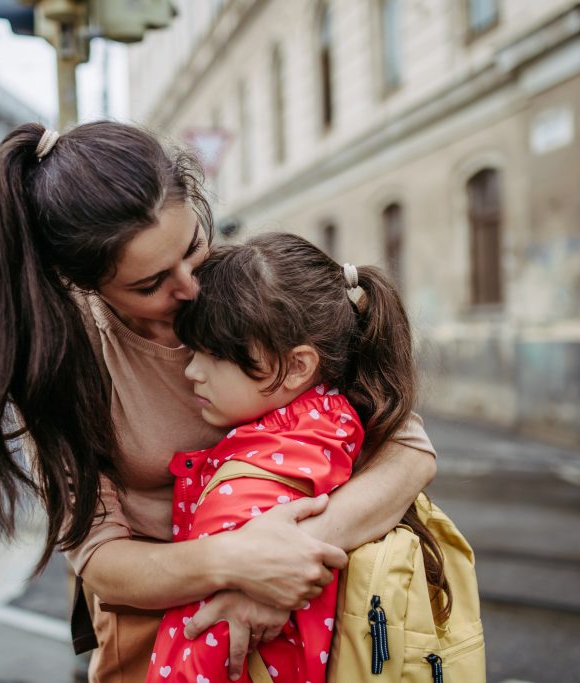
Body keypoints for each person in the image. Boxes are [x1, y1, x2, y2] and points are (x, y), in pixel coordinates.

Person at [0, 122, 437, 683]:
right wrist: (236, 565)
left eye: (192, 249)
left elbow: (408, 450)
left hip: (317, 618)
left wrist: (284, 566)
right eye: (151, 282)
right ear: (83, 282)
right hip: (164, 640)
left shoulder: (248, 292)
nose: (189, 287)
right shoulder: (60, 364)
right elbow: (103, 561)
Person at [146, 234, 450, 683]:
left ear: (298, 366)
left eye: (211, 354)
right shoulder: (334, 422)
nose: (191, 371)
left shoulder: (267, 468)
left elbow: (210, 634)